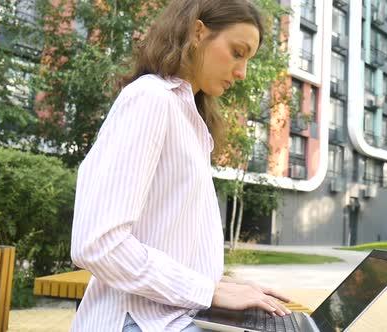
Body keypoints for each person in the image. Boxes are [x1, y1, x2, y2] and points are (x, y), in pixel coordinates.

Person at [69, 0, 290, 331]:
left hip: (173, 315)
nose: (242, 72)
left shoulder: (188, 118)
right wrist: (207, 291)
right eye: (237, 52)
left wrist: (222, 286)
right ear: (198, 32)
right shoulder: (150, 99)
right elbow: (99, 244)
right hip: (138, 321)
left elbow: (168, 242)